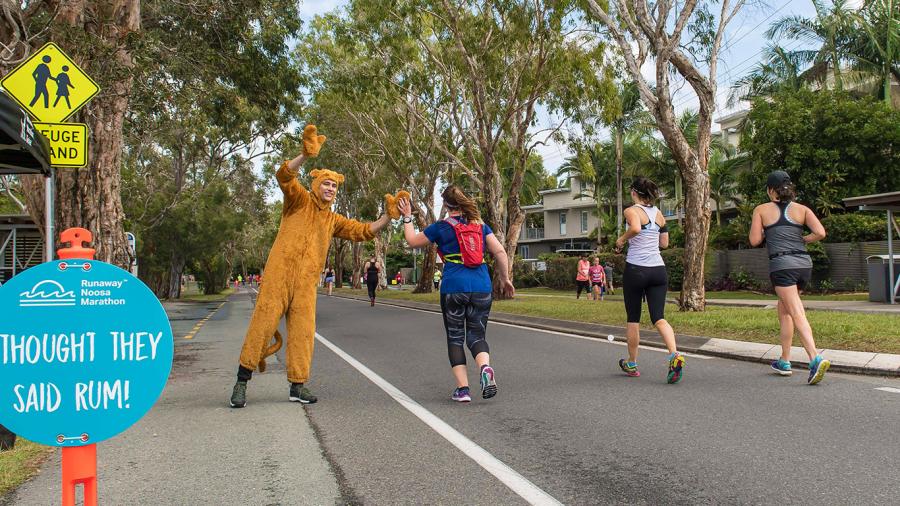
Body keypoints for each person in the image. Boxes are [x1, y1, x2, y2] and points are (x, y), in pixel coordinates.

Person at [230, 125, 392, 408]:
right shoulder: (298, 200)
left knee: (304, 333)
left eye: (334, 186)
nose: (330, 189)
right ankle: (242, 381)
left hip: (306, 284)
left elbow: (364, 230)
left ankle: (298, 385)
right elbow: (283, 175)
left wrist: (388, 217)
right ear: (316, 185)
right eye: (326, 184)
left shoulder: (333, 221)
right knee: (263, 325)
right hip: (279, 276)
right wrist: (305, 155)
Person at [398, 186, 514, 403]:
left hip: (453, 287)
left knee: (455, 337)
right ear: (463, 202)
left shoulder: (440, 227)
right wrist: (505, 279)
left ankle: (463, 390)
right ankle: (485, 367)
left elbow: (412, 241)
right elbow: (499, 252)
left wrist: (407, 217)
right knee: (477, 336)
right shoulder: (480, 226)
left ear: (446, 205)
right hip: (481, 285)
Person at [749, 170, 830, 385]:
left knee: (795, 312)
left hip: (782, 266)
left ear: (770, 190)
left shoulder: (761, 210)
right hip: (804, 264)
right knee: (784, 310)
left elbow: (755, 240)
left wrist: (769, 232)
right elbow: (821, 233)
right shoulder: (802, 209)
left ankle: (815, 358)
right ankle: (784, 360)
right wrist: (804, 239)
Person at [615, 177, 684, 384]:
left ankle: (632, 363)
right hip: (658, 270)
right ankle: (674, 355)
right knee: (658, 317)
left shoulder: (631, 211)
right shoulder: (659, 214)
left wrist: (621, 240)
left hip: (636, 269)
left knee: (633, 318)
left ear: (634, 192)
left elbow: (635, 228)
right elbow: (664, 243)